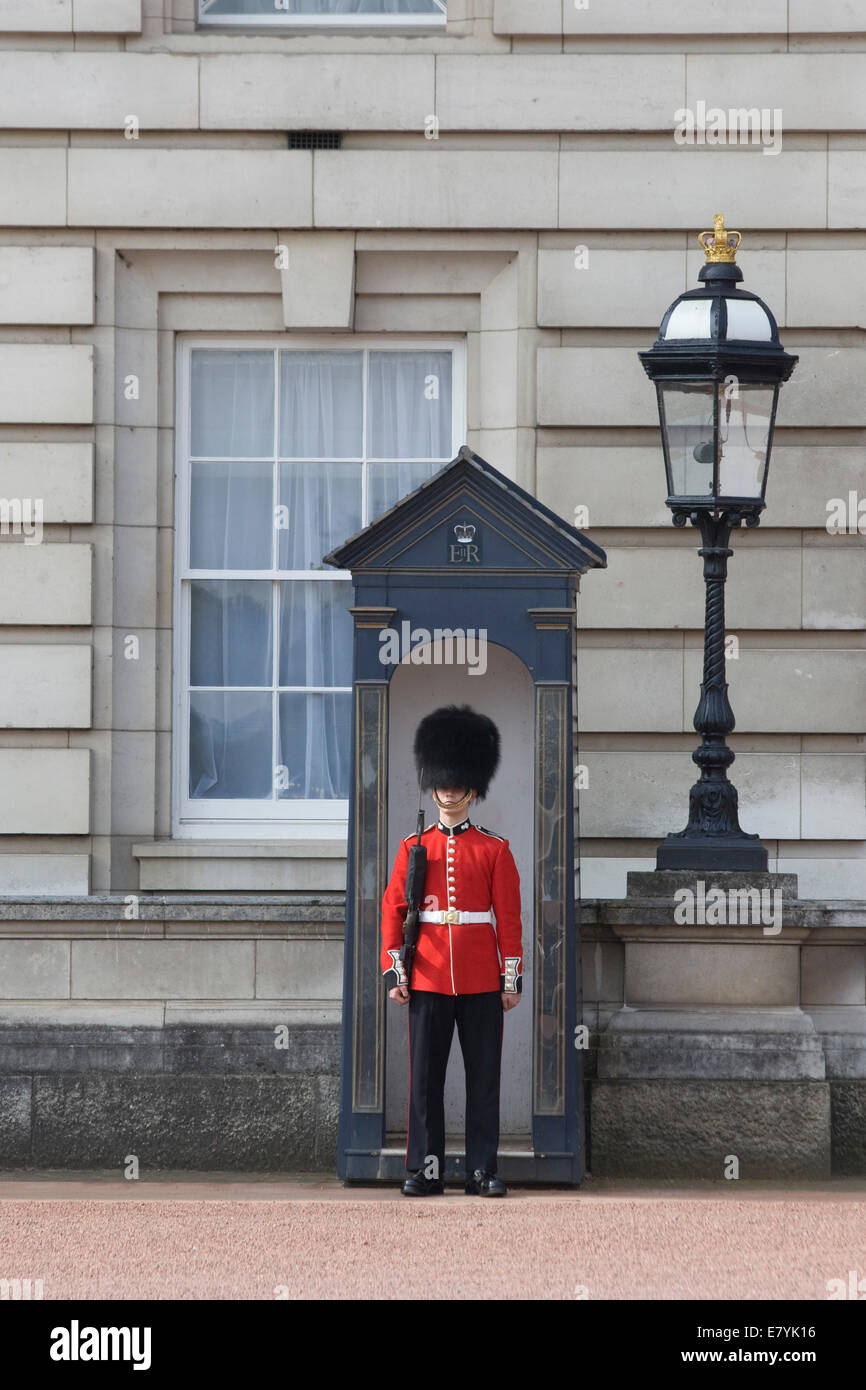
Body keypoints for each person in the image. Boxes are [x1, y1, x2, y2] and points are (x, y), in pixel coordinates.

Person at [380, 704, 523, 1198]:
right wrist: (396, 970)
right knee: (426, 1083)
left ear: (472, 787)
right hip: (429, 975)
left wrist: (510, 978)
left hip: (482, 979)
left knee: (484, 1080)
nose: (450, 788)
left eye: (459, 780)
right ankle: (427, 1167)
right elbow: (395, 910)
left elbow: (508, 918)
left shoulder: (494, 850)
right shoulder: (412, 847)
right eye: (443, 778)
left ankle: (482, 1169)